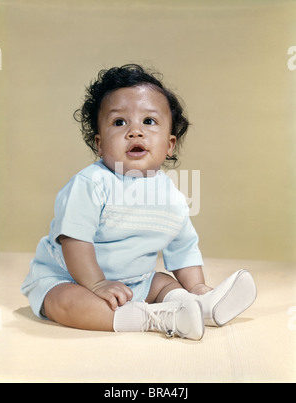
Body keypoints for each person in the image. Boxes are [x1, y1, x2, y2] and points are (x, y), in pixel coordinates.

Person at [21, 64, 256, 341]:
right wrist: (97, 284)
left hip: (136, 281)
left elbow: (184, 249)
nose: (135, 131)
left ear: (169, 145)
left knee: (163, 283)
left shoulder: (173, 197)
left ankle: (200, 304)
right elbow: (75, 241)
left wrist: (198, 286)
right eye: (119, 122)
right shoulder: (91, 183)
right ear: (99, 143)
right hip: (70, 278)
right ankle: (158, 318)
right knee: (64, 302)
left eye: (149, 121)